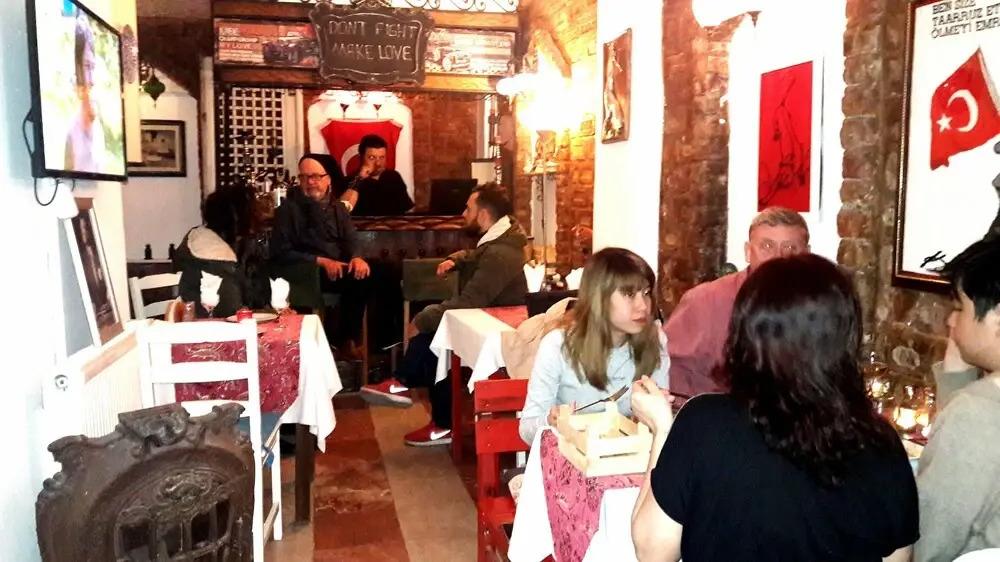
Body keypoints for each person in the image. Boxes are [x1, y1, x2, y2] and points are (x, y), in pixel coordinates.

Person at [631, 254, 918, 562]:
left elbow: (653, 552)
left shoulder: (705, 423)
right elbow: (898, 558)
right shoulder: (881, 443)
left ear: (745, 333)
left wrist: (661, 430)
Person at [359, 187, 528, 446]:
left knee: (435, 330)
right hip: (487, 318)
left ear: (483, 215)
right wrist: (456, 258)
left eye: (468, 209)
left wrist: (423, 318)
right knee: (439, 335)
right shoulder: (500, 240)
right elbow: (478, 256)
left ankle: (411, 390)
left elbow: (470, 300)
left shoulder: (500, 253)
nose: (463, 214)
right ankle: (423, 404)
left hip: (499, 330)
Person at [518, 248, 668, 445]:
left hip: (631, 457)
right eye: (629, 294)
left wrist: (658, 411)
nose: (643, 305)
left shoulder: (655, 341)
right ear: (600, 297)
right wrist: (549, 420)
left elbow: (659, 432)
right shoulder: (558, 346)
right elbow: (526, 429)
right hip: (571, 457)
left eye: (646, 293)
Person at [664, 206, 809, 398]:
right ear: (748, 252)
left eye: (790, 248)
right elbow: (668, 369)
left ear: (807, 254)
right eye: (767, 246)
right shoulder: (706, 301)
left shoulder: (821, 305)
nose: (778, 258)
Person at [916, 239, 1000, 562]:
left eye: (959, 308)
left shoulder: (975, 414)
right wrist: (957, 378)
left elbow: (926, 545)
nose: (950, 322)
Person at [270, 153, 371, 356]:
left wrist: (357, 257)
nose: (310, 182)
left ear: (328, 179)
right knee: (358, 282)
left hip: (337, 268)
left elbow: (351, 238)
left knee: (383, 274)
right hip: (306, 272)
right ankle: (344, 341)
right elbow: (281, 252)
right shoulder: (288, 210)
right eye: (304, 177)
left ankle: (382, 345)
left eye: (315, 176)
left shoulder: (338, 208)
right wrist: (321, 261)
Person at [173, 188, 245, 318]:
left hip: (185, 315)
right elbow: (231, 307)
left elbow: (176, 265)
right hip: (216, 321)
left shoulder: (192, 236)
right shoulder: (224, 255)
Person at [64, 14, 103, 174]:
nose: (92, 80)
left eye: (92, 67)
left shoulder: (97, 128)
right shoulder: (70, 132)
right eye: (87, 67)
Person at [341, 134, 413, 216]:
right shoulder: (350, 181)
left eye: (382, 157)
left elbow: (406, 210)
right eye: (372, 157)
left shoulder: (393, 177)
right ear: (361, 157)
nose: (378, 163)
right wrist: (359, 179)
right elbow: (342, 212)